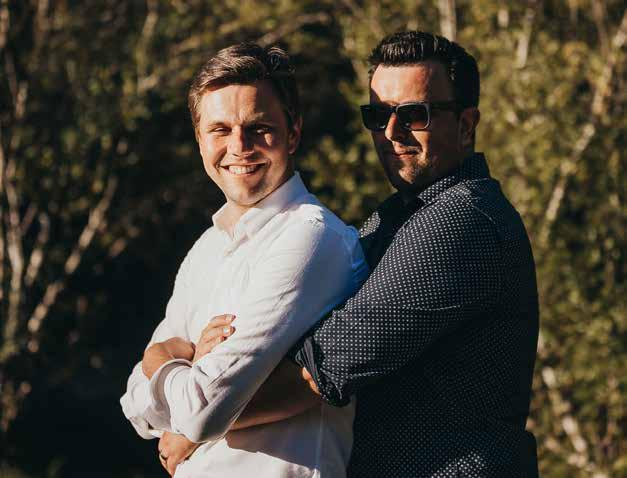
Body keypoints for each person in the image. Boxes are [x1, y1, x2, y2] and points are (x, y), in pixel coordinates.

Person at [204, 31, 540, 477]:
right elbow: (304, 327)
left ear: (465, 124)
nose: (391, 132)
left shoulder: (464, 220)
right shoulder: (394, 218)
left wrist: (198, 421)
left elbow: (326, 365)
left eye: (414, 115)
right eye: (378, 115)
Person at [120, 42, 368, 477]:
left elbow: (201, 411)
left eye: (259, 128)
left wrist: (159, 359)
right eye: (220, 129)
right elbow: (135, 409)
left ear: (293, 133)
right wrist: (184, 370)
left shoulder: (311, 238)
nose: (239, 146)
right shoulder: (206, 249)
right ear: (200, 141)